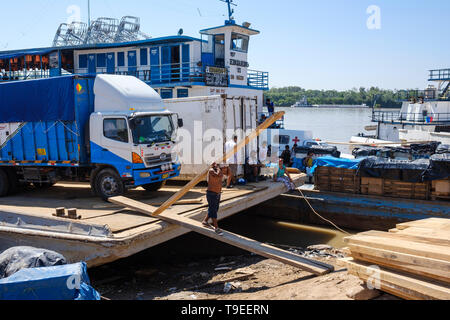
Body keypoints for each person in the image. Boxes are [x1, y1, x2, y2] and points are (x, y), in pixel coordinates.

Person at [202, 162, 226, 235]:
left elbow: (221, 175)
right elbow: (218, 175)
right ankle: (216, 228)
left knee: (214, 209)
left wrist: (219, 168)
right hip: (211, 194)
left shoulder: (219, 171)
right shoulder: (211, 170)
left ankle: (205, 221)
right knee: (213, 210)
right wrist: (217, 167)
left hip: (217, 194)